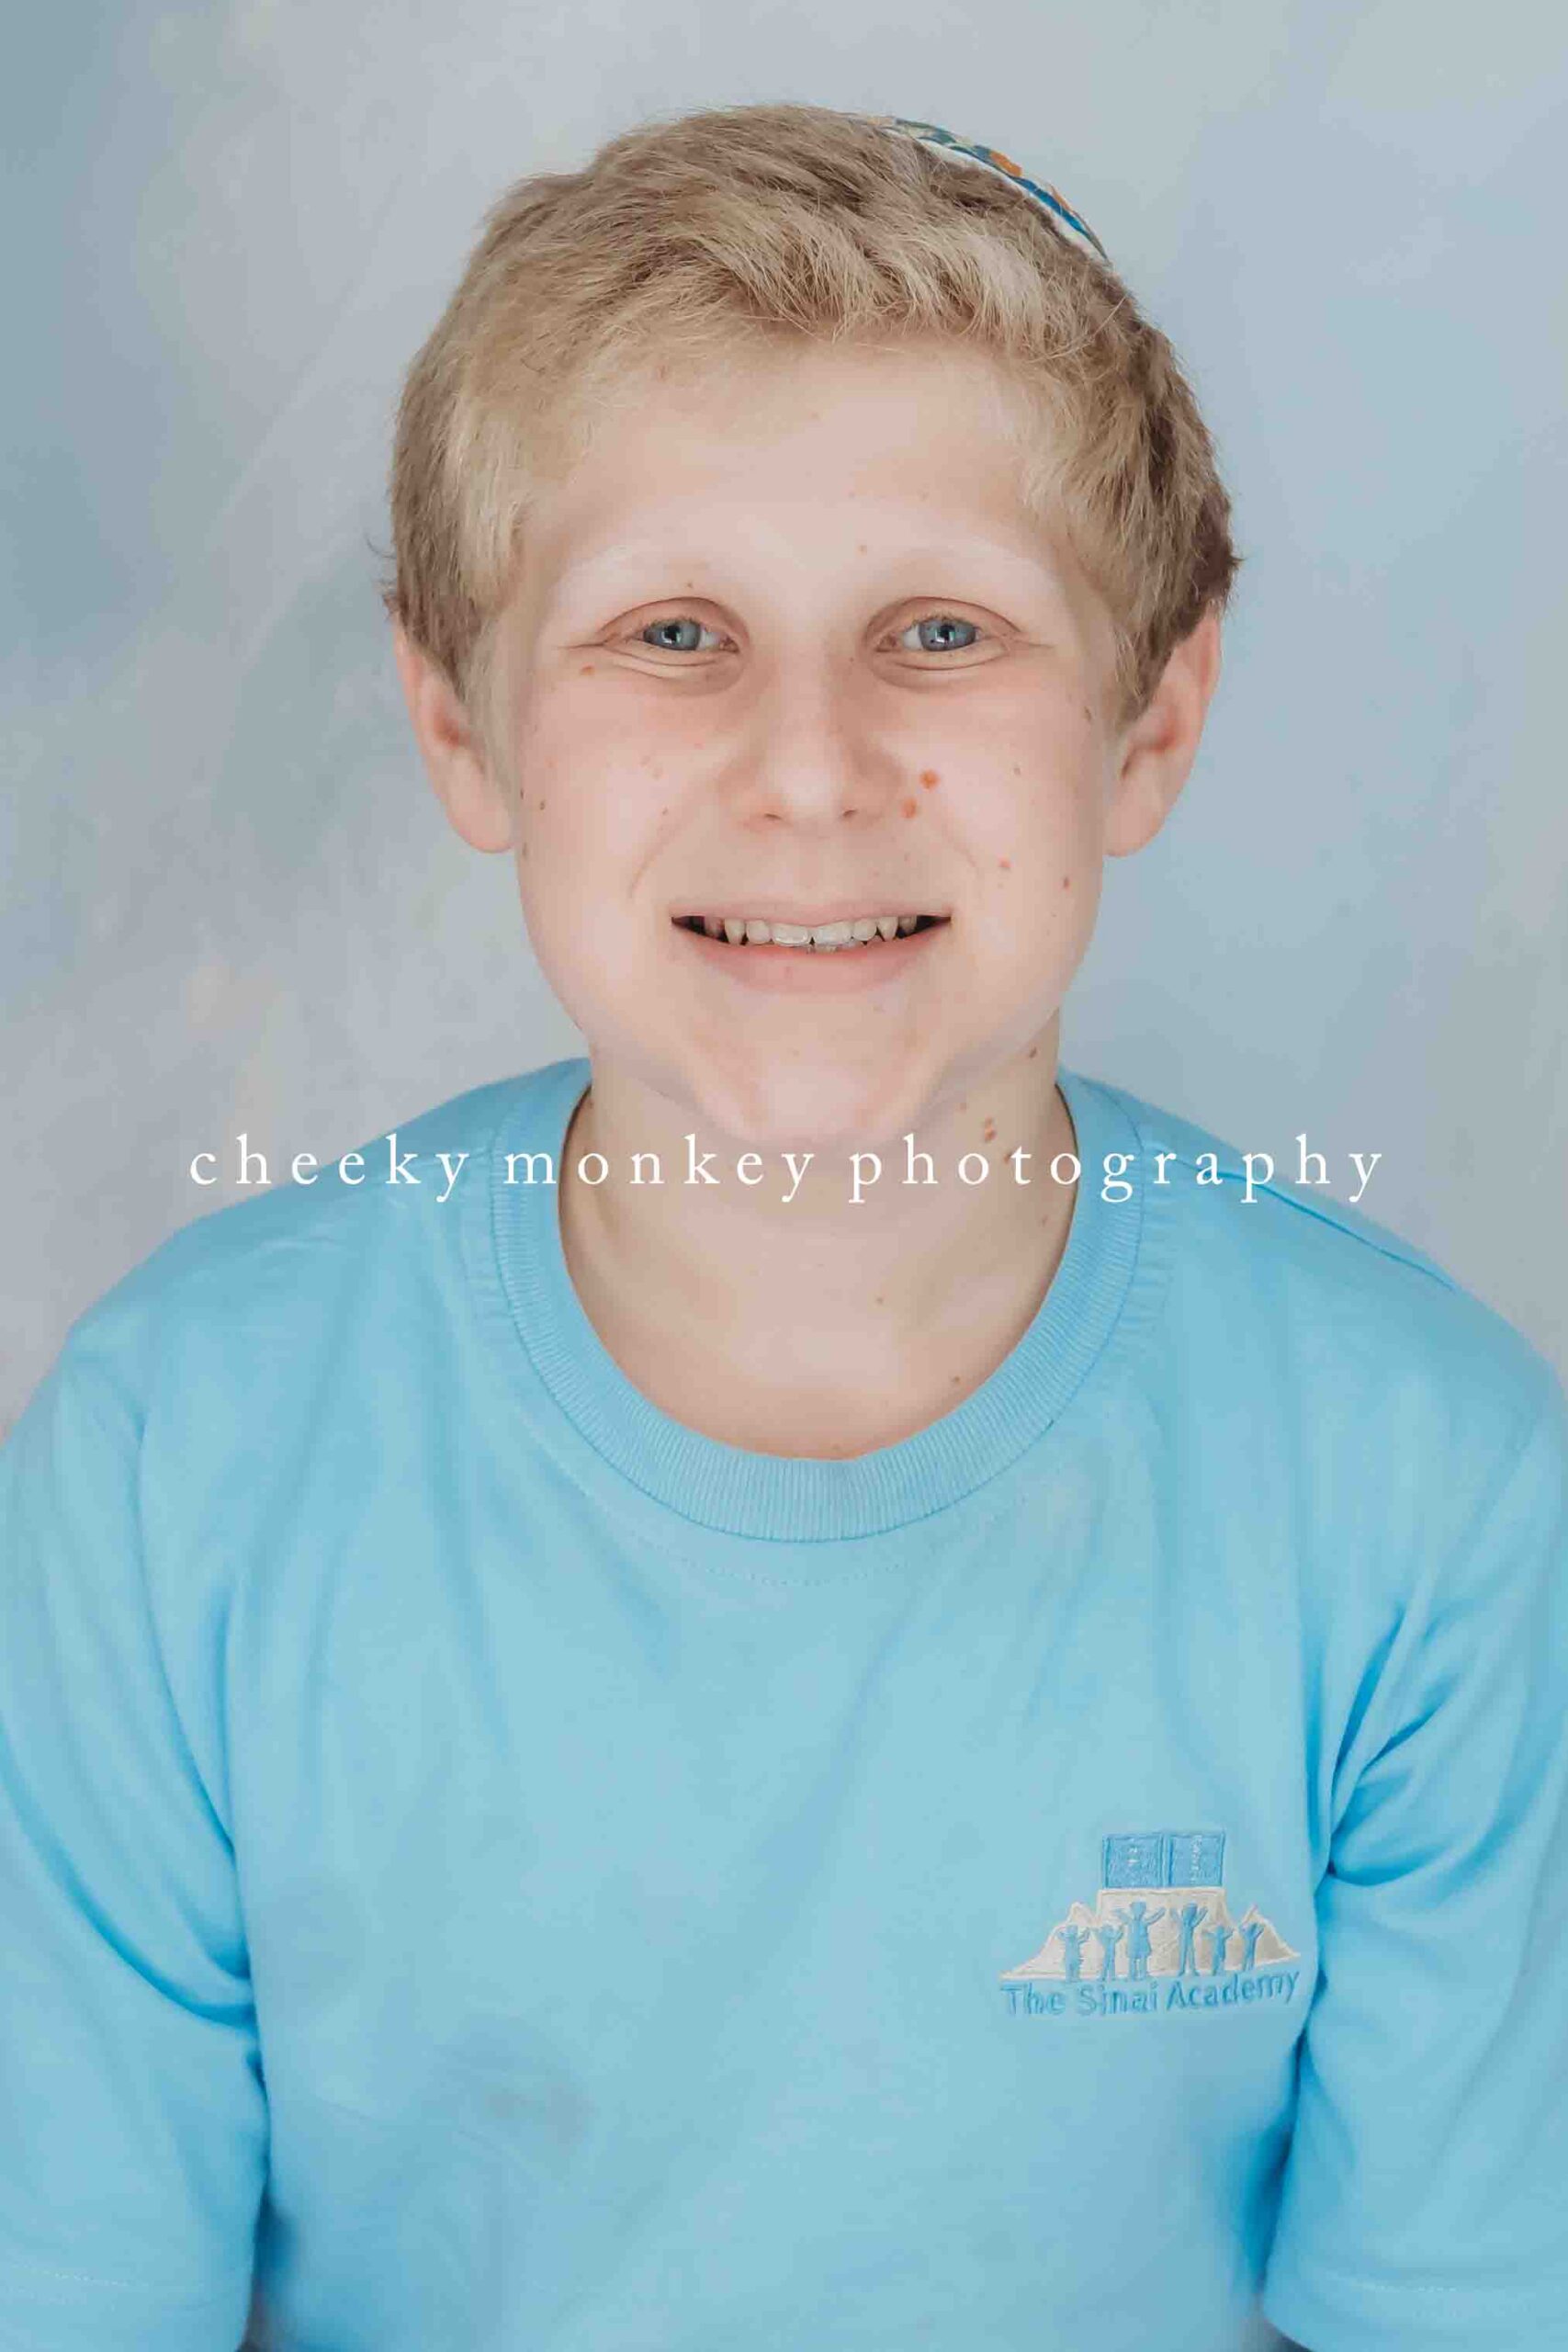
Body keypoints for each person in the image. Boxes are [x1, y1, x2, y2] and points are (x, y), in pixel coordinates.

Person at [1, 100, 1562, 2352]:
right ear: (460, 725)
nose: (810, 766)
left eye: (939, 627)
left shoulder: (1430, 1492)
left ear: (1151, 718)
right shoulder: (174, 1468)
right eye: (672, 631)